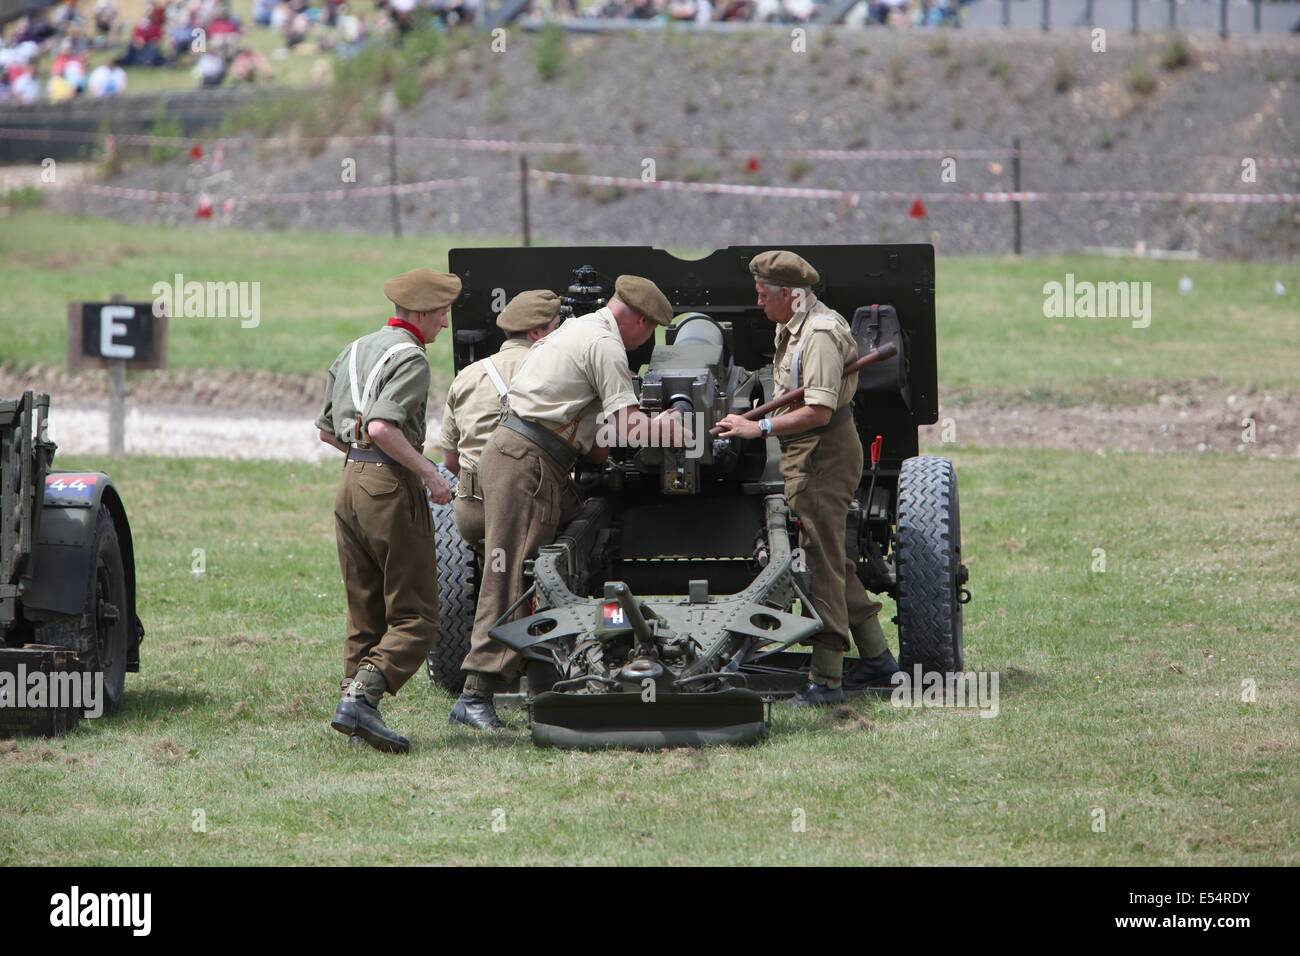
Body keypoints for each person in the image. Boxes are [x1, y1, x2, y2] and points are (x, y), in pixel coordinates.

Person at [449, 275, 685, 730]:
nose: (647, 340)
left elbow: (594, 441)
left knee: (561, 554)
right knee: (509, 571)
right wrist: (673, 427)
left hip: (528, 457)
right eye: (650, 328)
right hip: (527, 463)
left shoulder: (574, 331)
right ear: (636, 319)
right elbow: (630, 429)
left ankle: (555, 662)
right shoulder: (606, 346)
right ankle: (475, 694)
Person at [717, 251, 899, 706]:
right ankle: (878, 661)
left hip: (823, 456)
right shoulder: (794, 325)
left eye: (764, 295)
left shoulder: (817, 335)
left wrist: (756, 427)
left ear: (791, 295)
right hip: (809, 454)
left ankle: (828, 681)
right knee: (833, 561)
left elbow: (817, 410)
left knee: (821, 569)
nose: (759, 304)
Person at [315, 268, 458, 753]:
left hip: (350, 482)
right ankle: (362, 698)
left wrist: (364, 463)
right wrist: (430, 474)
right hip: (388, 482)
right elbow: (382, 427)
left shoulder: (354, 349)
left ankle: (353, 710)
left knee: (365, 609)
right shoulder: (413, 359)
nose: (444, 322)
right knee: (418, 616)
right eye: (440, 313)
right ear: (418, 313)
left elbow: (328, 432)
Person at [440, 289, 562, 558]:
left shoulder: (467, 376)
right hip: (530, 509)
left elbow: (449, 460)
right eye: (556, 327)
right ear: (537, 334)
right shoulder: (556, 373)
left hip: (474, 514)